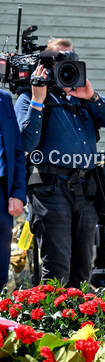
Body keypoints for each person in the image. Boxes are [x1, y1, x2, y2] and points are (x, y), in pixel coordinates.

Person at [16, 38, 105, 285]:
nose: (66, 67)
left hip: (85, 191)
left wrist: (91, 95)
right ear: (45, 65)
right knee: (57, 268)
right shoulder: (29, 97)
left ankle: (79, 323)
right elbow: (24, 144)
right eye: (59, 60)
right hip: (49, 189)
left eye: (71, 60)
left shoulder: (81, 98)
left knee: (83, 269)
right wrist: (37, 100)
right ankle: (50, 322)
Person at [0, 86, 26, 289]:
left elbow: (16, 149)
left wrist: (17, 192)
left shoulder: (4, 98)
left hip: (2, 192)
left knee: (0, 267)